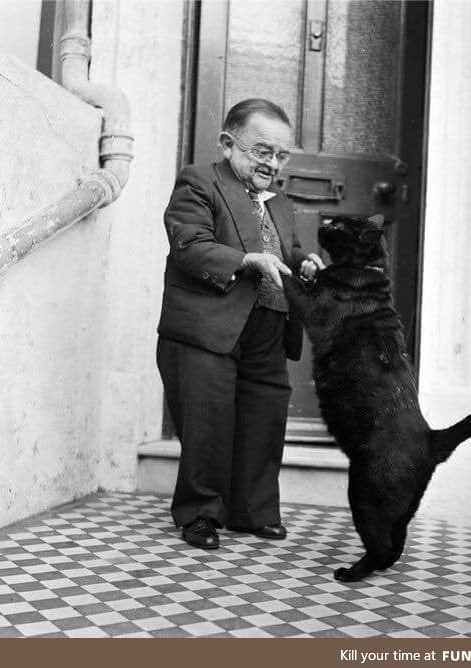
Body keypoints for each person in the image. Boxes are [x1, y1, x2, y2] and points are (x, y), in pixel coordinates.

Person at [156, 98, 324, 549]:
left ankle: (252, 512)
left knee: (263, 417)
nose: (272, 163)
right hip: (208, 327)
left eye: (281, 155)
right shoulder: (200, 182)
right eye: (261, 151)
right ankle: (200, 514)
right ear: (228, 143)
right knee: (208, 420)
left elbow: (286, 250)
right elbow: (189, 245)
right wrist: (245, 260)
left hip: (268, 325)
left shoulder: (281, 204)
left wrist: (304, 261)